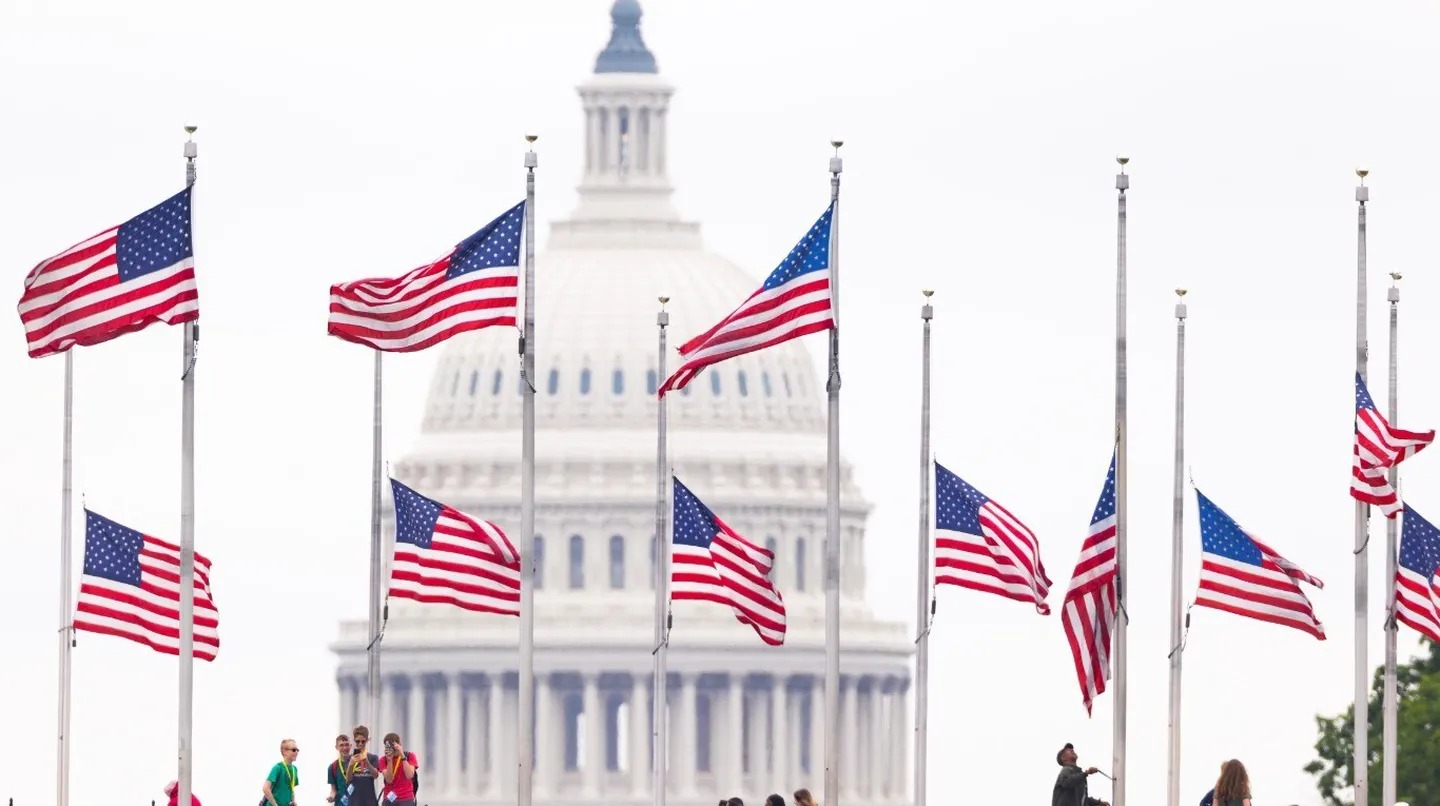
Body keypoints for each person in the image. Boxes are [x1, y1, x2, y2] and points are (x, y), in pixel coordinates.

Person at [378, 732, 420, 806]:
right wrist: (389, 760)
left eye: (393, 746)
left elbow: (409, 775)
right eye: (388, 746)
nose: (392, 749)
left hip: (406, 798)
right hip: (389, 799)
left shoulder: (409, 756)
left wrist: (402, 756)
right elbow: (389, 780)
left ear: (399, 744)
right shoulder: (383, 760)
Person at [345, 725, 381, 806]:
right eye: (357, 741)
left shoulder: (373, 757)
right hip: (354, 800)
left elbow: (375, 776)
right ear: (354, 740)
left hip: (369, 800)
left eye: (363, 741)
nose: (360, 744)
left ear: (367, 740)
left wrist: (367, 762)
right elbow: (348, 779)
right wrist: (351, 764)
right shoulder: (348, 758)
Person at [262, 738, 301, 806]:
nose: (296, 752)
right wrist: (275, 804)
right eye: (293, 750)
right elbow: (265, 788)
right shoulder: (278, 767)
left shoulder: (295, 769)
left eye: (297, 750)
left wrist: (293, 801)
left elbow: (291, 789)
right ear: (284, 751)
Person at [326, 734, 352, 805]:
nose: (345, 748)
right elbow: (333, 790)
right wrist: (331, 796)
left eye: (347, 744)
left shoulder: (357, 763)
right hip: (340, 803)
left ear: (351, 746)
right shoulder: (333, 767)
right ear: (336, 747)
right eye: (341, 745)